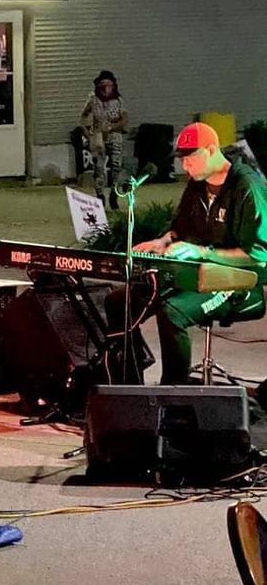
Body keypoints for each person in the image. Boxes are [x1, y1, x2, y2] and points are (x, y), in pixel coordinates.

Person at [104, 122, 267, 384]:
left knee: (172, 312)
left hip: (237, 282)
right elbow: (180, 229)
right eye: (182, 159)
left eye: (190, 158)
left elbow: (258, 257)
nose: (185, 166)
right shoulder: (197, 183)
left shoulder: (247, 186)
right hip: (192, 275)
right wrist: (163, 241)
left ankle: (174, 393)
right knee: (118, 302)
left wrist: (201, 251)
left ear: (212, 150)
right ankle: (129, 388)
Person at [80, 70, 129, 209]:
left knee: (116, 166)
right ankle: (100, 195)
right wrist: (87, 132)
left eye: (109, 84)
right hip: (98, 136)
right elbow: (83, 116)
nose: (106, 87)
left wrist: (113, 126)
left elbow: (125, 118)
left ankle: (114, 194)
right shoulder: (93, 99)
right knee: (99, 167)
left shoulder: (118, 100)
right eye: (102, 84)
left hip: (115, 136)